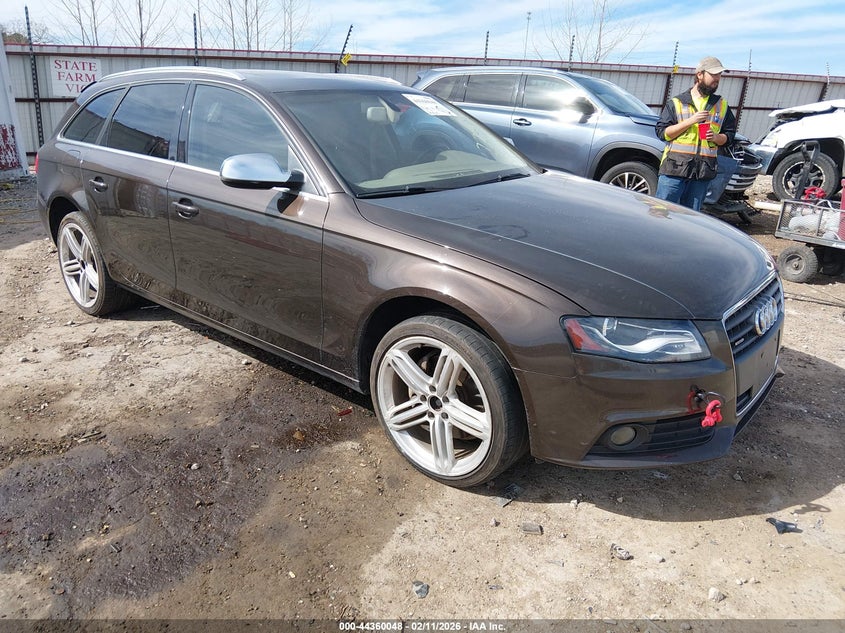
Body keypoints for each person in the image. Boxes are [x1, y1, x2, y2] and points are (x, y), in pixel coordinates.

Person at [654, 56, 737, 211]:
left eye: (719, 75)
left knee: (691, 219)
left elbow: (730, 136)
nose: (717, 78)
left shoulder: (722, 105)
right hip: (674, 170)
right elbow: (662, 133)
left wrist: (717, 137)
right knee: (661, 213)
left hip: (702, 173)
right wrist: (690, 121)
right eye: (713, 74)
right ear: (700, 74)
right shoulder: (677, 102)